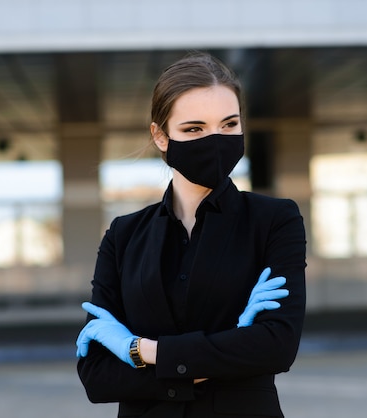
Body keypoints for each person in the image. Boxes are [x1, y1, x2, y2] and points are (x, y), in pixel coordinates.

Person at [76, 52, 306, 418]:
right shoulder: (124, 235)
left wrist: (139, 350)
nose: (215, 140)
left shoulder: (274, 220)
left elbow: (275, 347)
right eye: (194, 129)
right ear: (161, 136)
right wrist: (225, 349)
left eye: (229, 125)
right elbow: (97, 376)